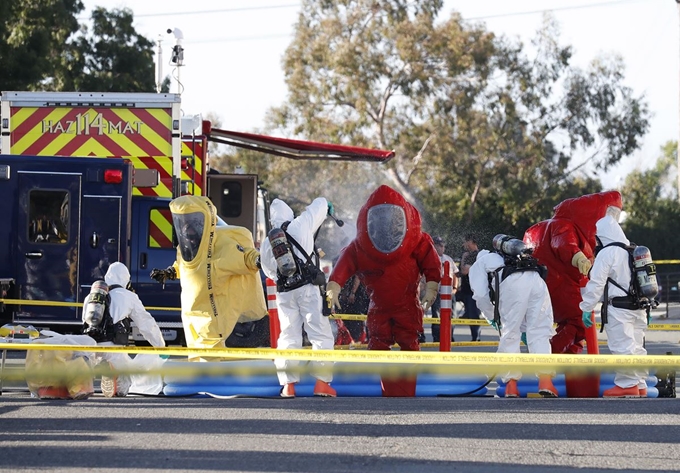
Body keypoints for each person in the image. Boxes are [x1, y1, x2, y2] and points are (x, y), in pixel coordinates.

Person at [326, 185, 441, 397]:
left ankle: (405, 390)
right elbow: (344, 264)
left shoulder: (415, 240)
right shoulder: (361, 246)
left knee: (408, 343)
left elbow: (431, 262)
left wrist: (432, 286)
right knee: (380, 344)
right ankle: (389, 389)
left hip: (405, 306)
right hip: (379, 307)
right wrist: (334, 284)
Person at [150, 195, 267, 354]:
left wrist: (259, 260)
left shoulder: (221, 246)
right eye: (183, 224)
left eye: (190, 224)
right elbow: (184, 267)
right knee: (197, 355)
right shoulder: (185, 250)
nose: (186, 230)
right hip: (190, 314)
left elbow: (245, 257)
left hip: (212, 315)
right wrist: (170, 272)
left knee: (212, 357)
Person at [524, 191, 623, 354]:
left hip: (557, 283)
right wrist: (579, 259)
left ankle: (568, 363)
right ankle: (549, 358)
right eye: (610, 213)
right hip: (556, 284)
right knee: (580, 323)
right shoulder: (563, 224)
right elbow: (563, 243)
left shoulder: (581, 233)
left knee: (575, 327)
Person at [259, 197, 337, 398]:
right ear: (289, 215)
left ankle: (288, 386)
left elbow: (269, 272)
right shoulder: (300, 225)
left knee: (288, 336)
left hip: (285, 293)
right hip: (308, 290)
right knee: (320, 334)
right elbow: (319, 205)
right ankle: (321, 383)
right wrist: (326, 205)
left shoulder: (268, 242)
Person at [469, 235, 558, 398]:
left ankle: (511, 385)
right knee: (539, 332)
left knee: (510, 333)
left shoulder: (481, 262)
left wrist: (491, 315)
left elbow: (481, 295)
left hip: (513, 283)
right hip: (537, 281)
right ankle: (546, 381)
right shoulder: (515, 257)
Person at [580, 215, 648, 397]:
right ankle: (640, 385)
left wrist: (586, 307)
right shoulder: (632, 250)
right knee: (636, 346)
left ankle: (627, 386)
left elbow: (596, 284)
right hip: (638, 307)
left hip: (619, 309)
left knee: (622, 346)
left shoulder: (607, 253)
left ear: (603, 235)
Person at [98, 262, 166, 397]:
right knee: (126, 383)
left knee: (82, 378)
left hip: (92, 347)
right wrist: (160, 345)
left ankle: (86, 378)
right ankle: (116, 376)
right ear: (125, 278)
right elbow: (146, 324)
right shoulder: (128, 296)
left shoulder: (95, 296)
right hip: (114, 348)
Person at [430, 236, 458, 343]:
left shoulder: (448, 259)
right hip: (436, 293)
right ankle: (437, 338)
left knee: (452, 316)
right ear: (434, 246)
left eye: (443, 246)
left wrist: (454, 289)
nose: (442, 248)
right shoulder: (430, 258)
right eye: (440, 246)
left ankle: (449, 336)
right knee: (436, 316)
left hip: (449, 293)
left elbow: (456, 275)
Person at [457, 234, 482, 342]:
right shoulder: (469, 255)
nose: (464, 244)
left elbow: (464, 271)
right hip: (465, 289)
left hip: (473, 291)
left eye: (465, 242)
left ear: (471, 242)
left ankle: (475, 337)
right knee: (470, 313)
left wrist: (463, 258)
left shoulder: (475, 255)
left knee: (473, 315)